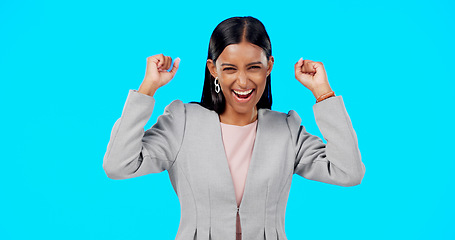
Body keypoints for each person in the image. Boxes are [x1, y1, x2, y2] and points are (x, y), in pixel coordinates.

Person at [103, 16, 366, 240]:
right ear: (213, 70)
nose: (242, 81)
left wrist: (323, 93)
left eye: (254, 67)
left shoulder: (286, 129)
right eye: (229, 68)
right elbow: (118, 165)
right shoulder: (182, 122)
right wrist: (148, 88)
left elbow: (348, 172)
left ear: (269, 67)